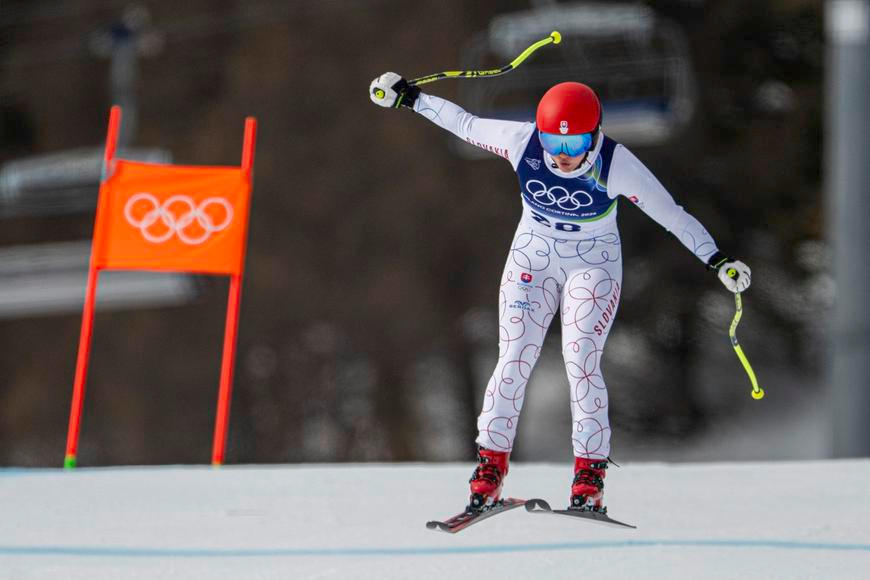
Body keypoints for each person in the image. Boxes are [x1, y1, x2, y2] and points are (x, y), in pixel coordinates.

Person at [369, 73, 751, 512]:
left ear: (595, 135)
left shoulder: (616, 165)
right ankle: (490, 468)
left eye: (574, 144)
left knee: (581, 359)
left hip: (593, 263)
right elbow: (465, 124)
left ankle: (589, 476)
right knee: (514, 357)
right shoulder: (522, 142)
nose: (563, 155)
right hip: (532, 257)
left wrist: (718, 260)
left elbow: (672, 215)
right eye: (554, 142)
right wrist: (409, 97)